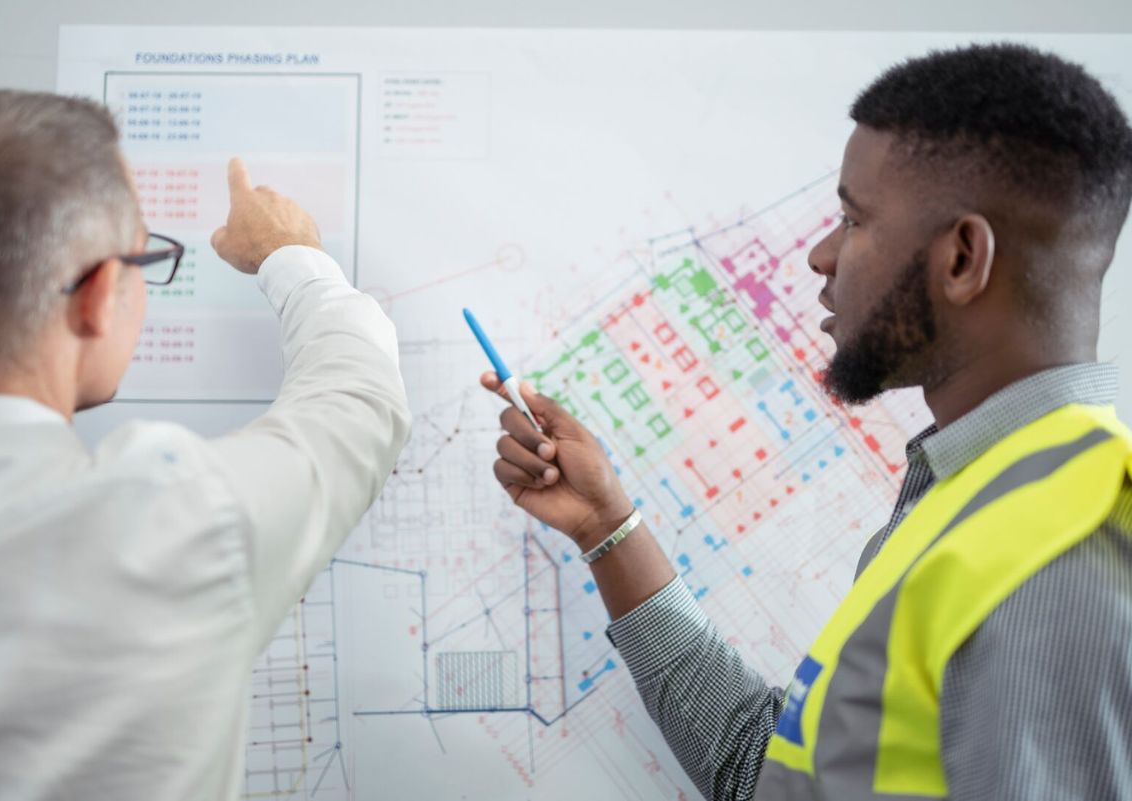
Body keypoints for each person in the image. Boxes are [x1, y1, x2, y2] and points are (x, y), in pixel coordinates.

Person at [482, 43, 1132, 800]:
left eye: (853, 219)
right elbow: (776, 778)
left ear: (961, 259)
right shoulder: (973, 496)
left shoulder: (1065, 551)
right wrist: (605, 524)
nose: (822, 254)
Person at [0, 90, 411, 799]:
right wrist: (292, 256)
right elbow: (360, 399)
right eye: (145, 259)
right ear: (97, 295)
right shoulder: (167, 523)